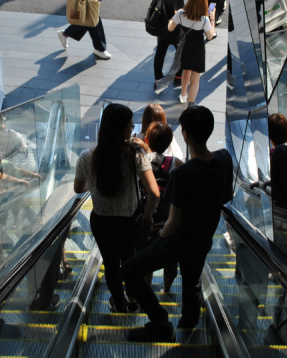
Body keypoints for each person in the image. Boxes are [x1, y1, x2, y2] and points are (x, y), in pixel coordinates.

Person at [121, 106, 234, 341]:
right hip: (203, 238)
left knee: (130, 270)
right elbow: (226, 196)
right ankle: (188, 324)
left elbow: (172, 223)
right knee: (191, 282)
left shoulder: (183, 173)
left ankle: (160, 321)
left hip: (178, 241)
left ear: (185, 135)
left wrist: (160, 237)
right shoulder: (224, 159)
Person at [73, 103, 160, 313]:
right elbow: (155, 193)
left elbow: (78, 188)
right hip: (129, 221)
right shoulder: (134, 154)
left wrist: (94, 185)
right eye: (130, 126)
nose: (132, 129)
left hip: (102, 221)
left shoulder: (86, 156)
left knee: (111, 264)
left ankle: (119, 303)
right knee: (129, 259)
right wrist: (148, 216)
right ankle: (133, 300)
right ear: (121, 128)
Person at [141, 121, 183, 293]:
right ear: (168, 143)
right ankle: (166, 289)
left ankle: (147, 289)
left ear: (147, 141)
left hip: (145, 219)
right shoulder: (177, 163)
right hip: (169, 222)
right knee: (170, 258)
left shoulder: (140, 161)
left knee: (145, 256)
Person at [167, 0, 216, 105]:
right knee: (195, 80)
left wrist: (172, 19)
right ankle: (190, 106)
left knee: (186, 70)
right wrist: (212, 18)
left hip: (185, 47)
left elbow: (170, 28)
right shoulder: (204, 20)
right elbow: (210, 36)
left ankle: (183, 95)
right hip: (198, 49)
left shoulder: (180, 14)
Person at [152, 0, 186, 87]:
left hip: (160, 26)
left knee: (160, 52)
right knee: (182, 52)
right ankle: (178, 77)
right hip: (173, 30)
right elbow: (178, 15)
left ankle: (158, 78)